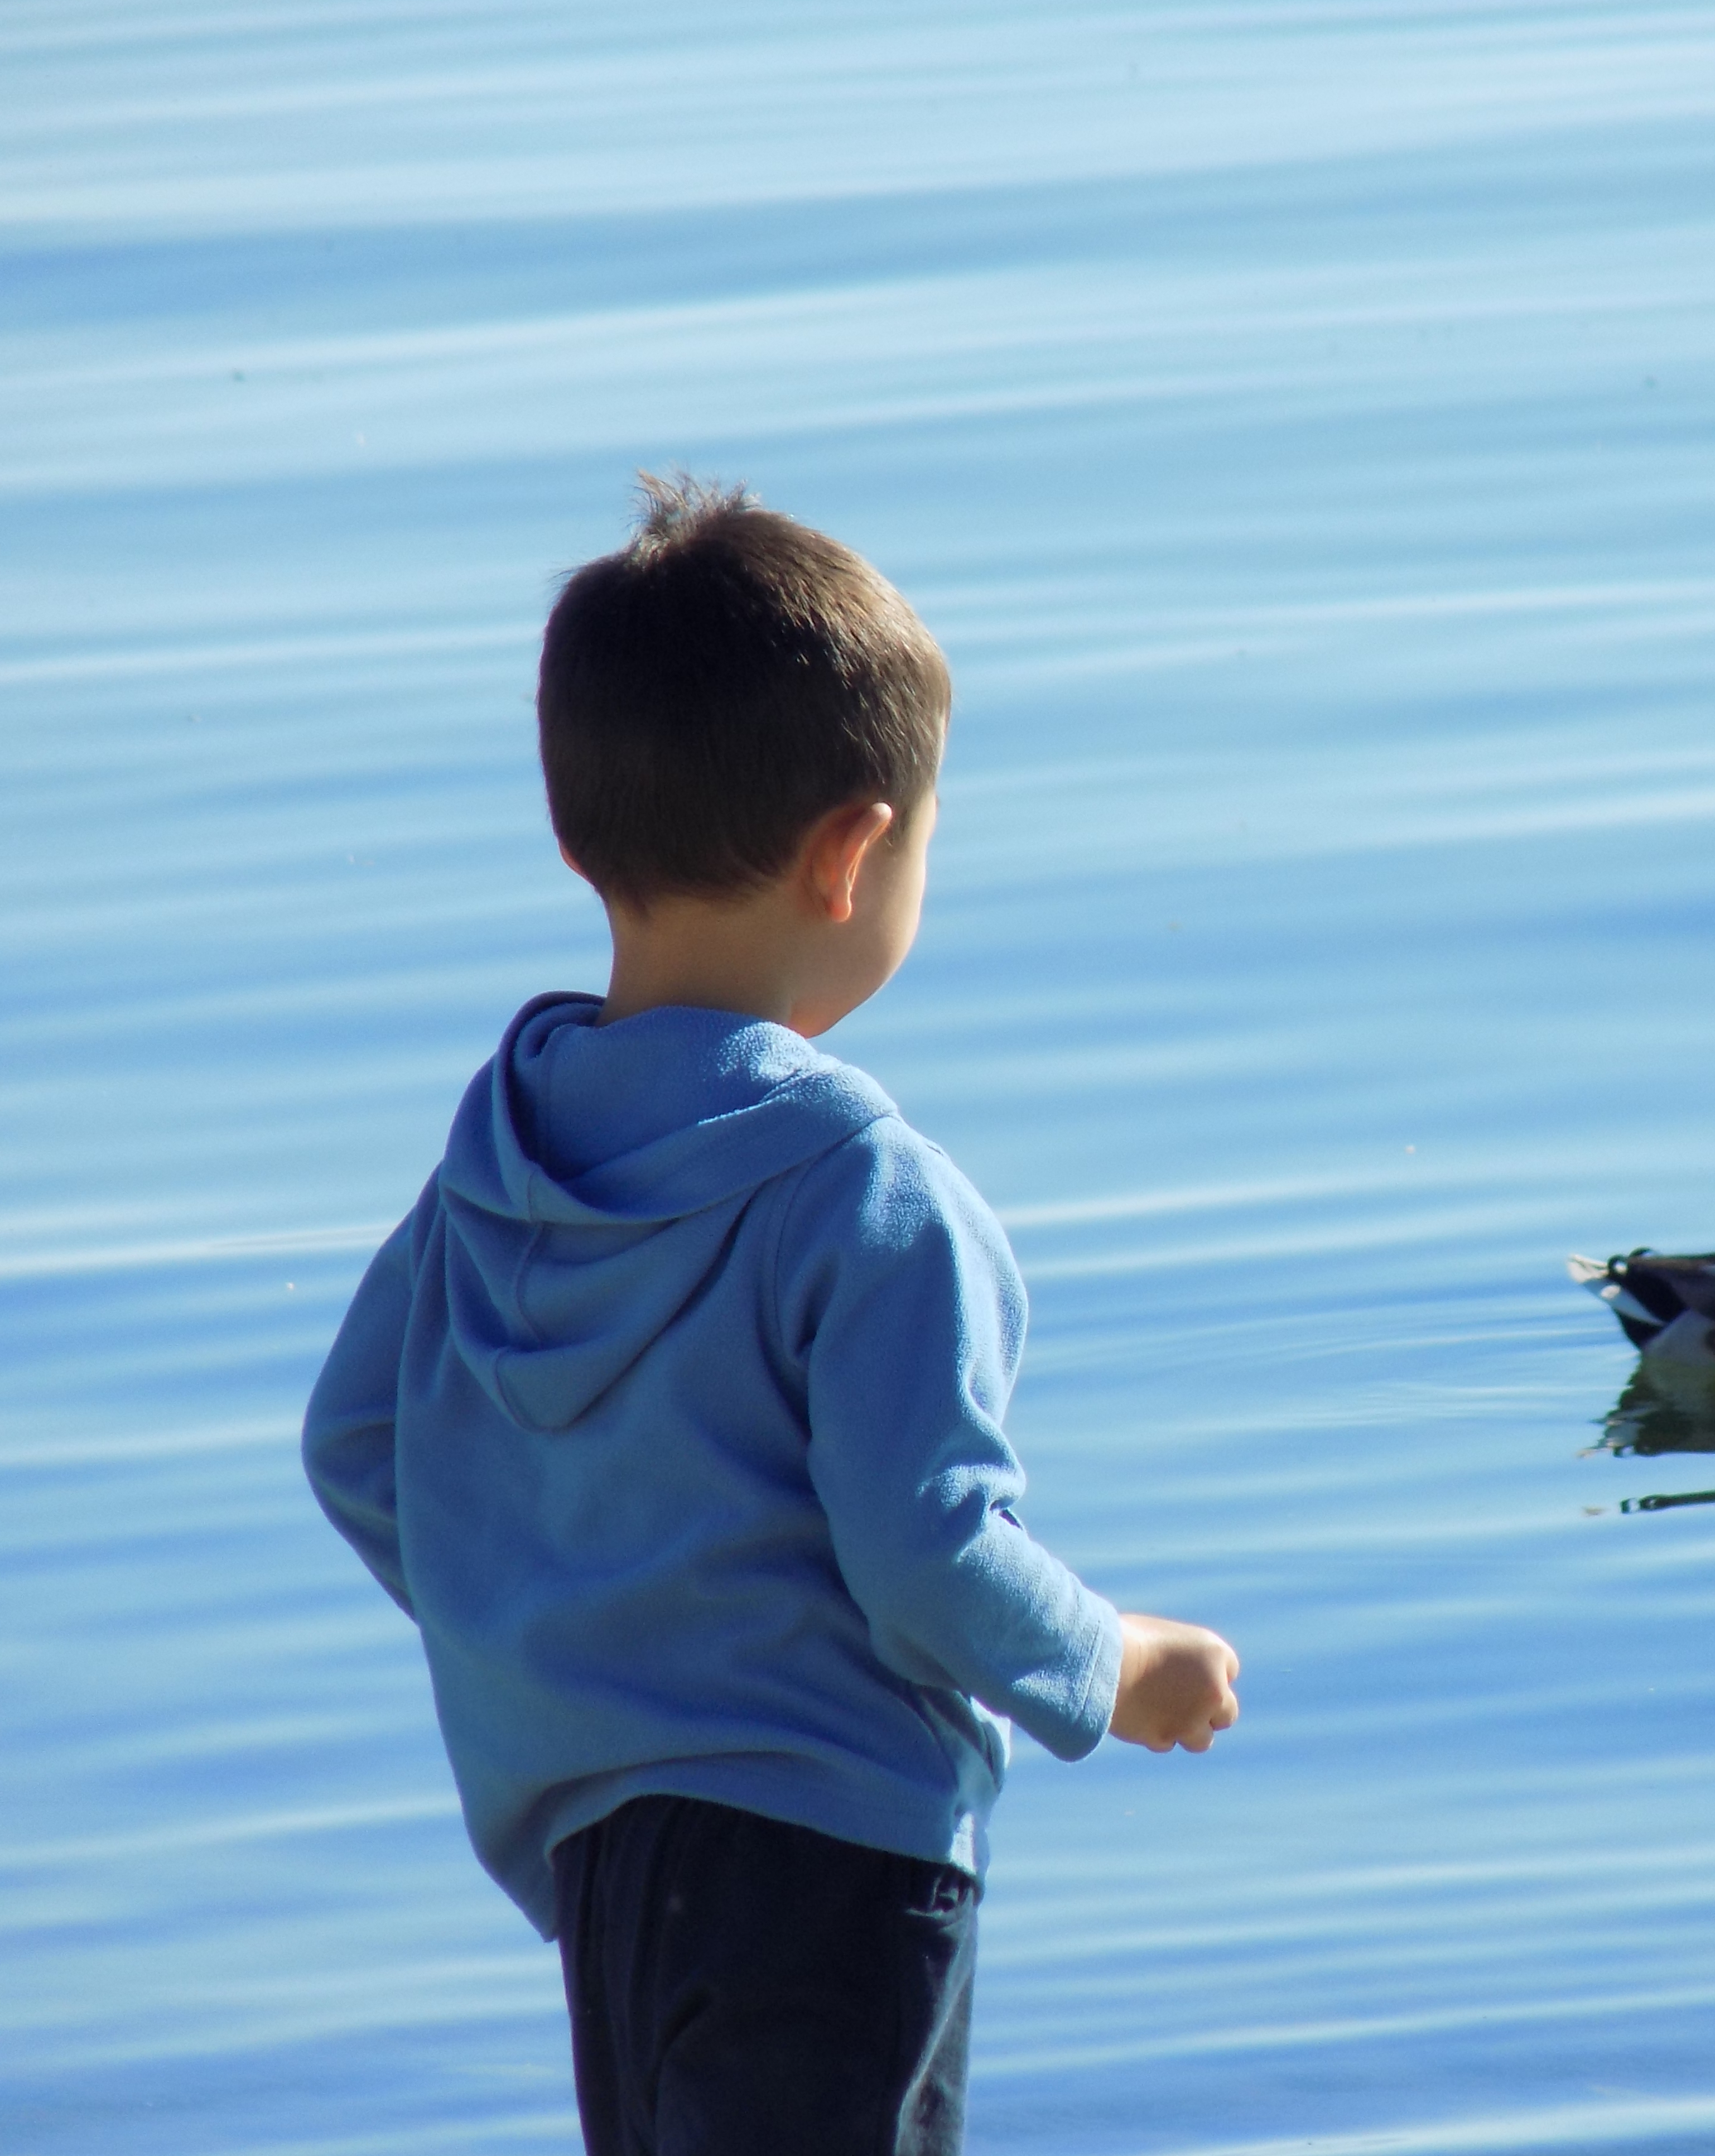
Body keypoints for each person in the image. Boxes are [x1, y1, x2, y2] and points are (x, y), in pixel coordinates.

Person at [302, 474, 1239, 2154]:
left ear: (581, 835)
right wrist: (1116, 1663)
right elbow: (927, 1552)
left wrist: (558, 1631)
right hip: (832, 1865)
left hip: (602, 1861)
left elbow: (360, 1447)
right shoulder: (866, 1196)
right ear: (852, 851)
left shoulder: (498, 1160)